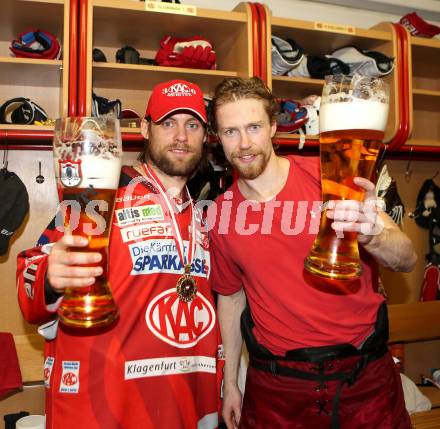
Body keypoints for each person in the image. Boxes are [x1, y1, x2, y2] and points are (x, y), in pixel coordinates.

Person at [208, 77, 417, 429]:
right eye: (230, 132)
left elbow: (407, 258)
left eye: (254, 127)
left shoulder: (331, 179)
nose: (244, 144)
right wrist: (230, 384)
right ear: (217, 138)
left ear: (274, 126)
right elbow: (230, 299)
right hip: (277, 387)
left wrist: (375, 236)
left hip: (365, 380)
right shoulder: (222, 213)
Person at [16, 79, 222, 429]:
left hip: (184, 409)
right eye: (167, 123)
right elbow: (30, 278)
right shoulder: (101, 196)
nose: (181, 136)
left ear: (206, 136)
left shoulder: (204, 214)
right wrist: (52, 276)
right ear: (144, 128)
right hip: (105, 410)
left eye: (193, 125)